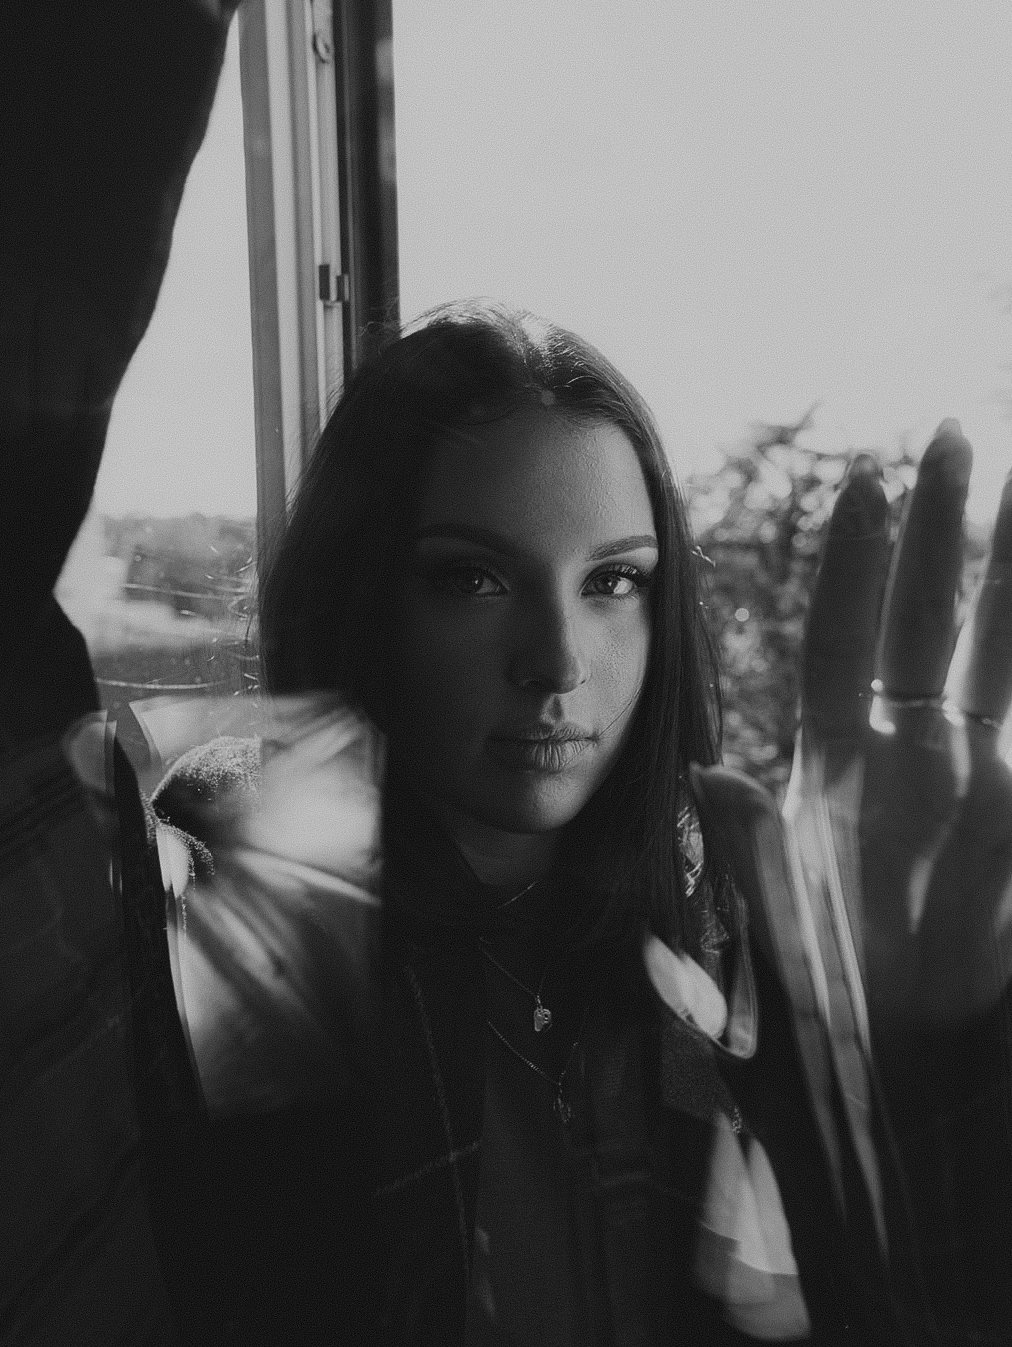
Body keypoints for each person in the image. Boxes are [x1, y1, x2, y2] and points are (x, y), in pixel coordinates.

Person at [147, 300, 1012, 1347]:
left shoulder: (718, 922)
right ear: (362, 594)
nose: (556, 661)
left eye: (613, 581)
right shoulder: (243, 907)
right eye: (471, 578)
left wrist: (915, 1069)